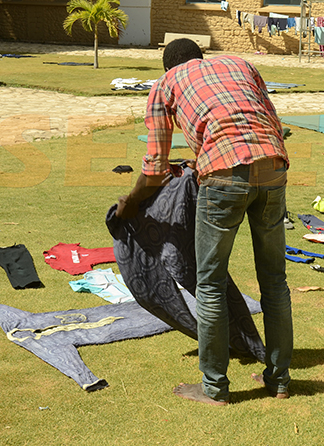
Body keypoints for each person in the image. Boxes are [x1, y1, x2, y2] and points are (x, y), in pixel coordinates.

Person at [115, 38, 293, 405]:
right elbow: (271, 121)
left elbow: (154, 169)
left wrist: (130, 204)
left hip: (225, 178)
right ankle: (278, 381)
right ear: (201, 58)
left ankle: (214, 388)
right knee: (275, 281)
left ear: (169, 67)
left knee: (209, 285)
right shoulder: (240, 64)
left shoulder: (166, 84)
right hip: (274, 167)